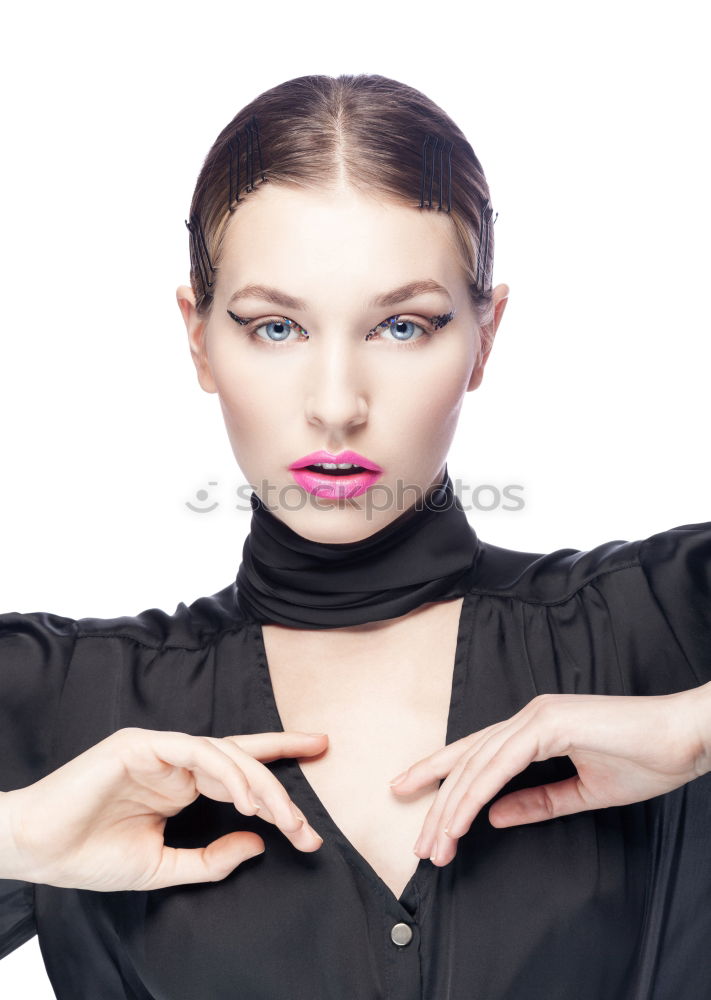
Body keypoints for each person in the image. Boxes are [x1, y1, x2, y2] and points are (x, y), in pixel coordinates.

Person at [1, 72, 710, 999]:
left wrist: (691, 728)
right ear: (198, 337)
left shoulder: (659, 626)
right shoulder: (59, 702)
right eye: (277, 326)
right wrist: (14, 837)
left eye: (402, 325)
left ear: (485, 337)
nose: (336, 405)